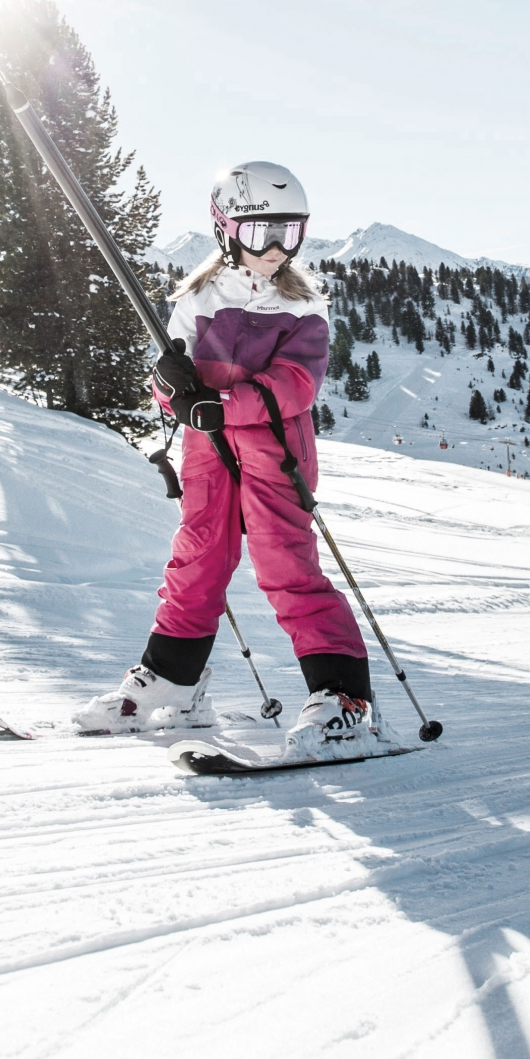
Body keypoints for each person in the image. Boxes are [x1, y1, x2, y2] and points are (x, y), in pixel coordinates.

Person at [73, 162, 382, 757]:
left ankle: (343, 698)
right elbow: (173, 380)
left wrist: (222, 403)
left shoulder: (305, 307)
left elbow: (296, 383)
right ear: (226, 229)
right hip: (207, 455)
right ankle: (173, 684)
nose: (274, 249)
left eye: (289, 235)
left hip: (275, 455)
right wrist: (173, 390)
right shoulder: (197, 298)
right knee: (197, 562)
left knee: (286, 568)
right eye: (261, 232)